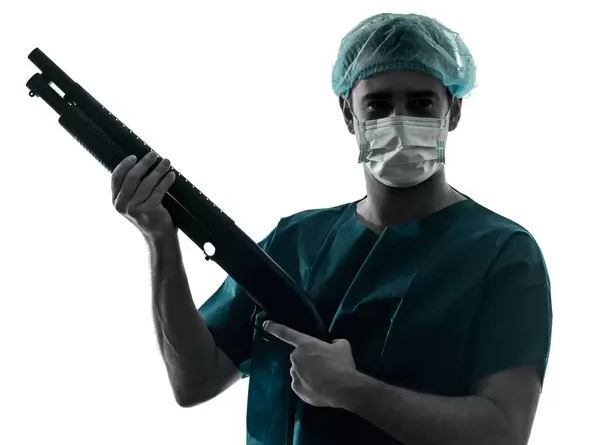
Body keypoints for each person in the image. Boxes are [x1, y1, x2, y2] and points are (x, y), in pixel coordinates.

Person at [111, 12, 552, 445]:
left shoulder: (501, 252)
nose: (398, 121)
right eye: (378, 104)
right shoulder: (295, 242)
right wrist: (160, 239)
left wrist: (352, 390)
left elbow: (503, 432)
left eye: (421, 103)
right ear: (348, 113)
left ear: (452, 111)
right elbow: (194, 381)